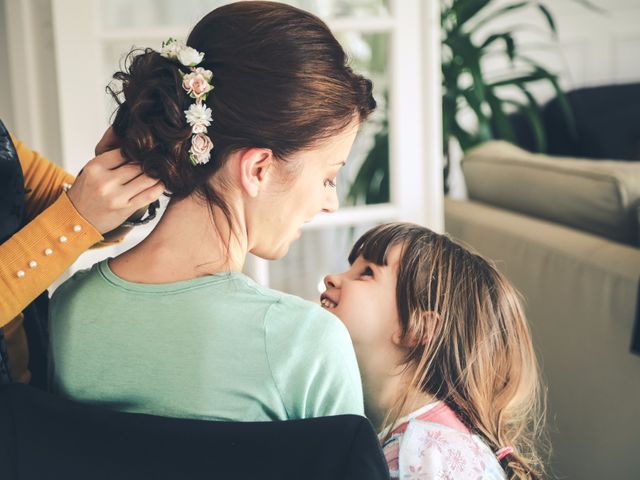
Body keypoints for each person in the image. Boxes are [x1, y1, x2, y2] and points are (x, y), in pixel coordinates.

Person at [49, 1, 376, 422]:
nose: (330, 202)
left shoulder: (70, 309)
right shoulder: (305, 343)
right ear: (258, 168)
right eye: (328, 178)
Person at [322, 223, 547, 480]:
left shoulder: (421, 457)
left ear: (417, 329)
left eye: (367, 273)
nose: (332, 277)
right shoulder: (418, 443)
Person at [0, 121, 164, 387]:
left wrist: (123, 186)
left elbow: (45, 197)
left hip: (32, 374)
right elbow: (72, 213)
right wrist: (75, 218)